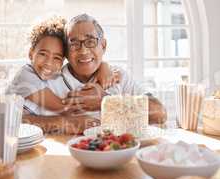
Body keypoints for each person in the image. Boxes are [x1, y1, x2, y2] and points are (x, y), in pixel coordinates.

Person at [23, 14, 167, 134]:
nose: (83, 51)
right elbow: (17, 121)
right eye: (74, 43)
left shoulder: (118, 76)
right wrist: (65, 123)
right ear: (66, 52)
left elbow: (159, 113)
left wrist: (105, 102)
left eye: (91, 41)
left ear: (103, 45)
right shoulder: (49, 79)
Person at [6, 16, 120, 118]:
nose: (48, 63)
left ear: (64, 60)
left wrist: (104, 66)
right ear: (31, 53)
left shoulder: (53, 78)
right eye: (42, 54)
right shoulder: (26, 75)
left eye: (57, 58)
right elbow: (64, 108)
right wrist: (101, 101)